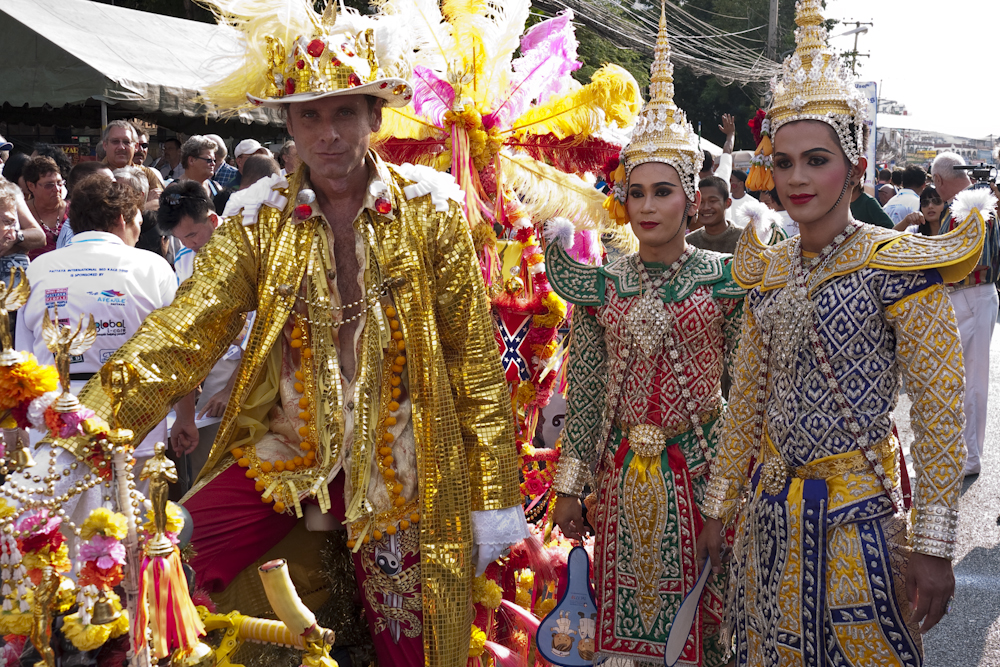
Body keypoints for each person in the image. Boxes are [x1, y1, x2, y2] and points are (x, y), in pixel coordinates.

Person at [62, 7, 527, 667]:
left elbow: (474, 362)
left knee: (416, 649)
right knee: (168, 553)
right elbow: (185, 330)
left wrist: (491, 501)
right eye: (309, 116)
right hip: (290, 454)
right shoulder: (259, 218)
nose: (328, 134)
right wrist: (84, 427)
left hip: (405, 467)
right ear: (288, 124)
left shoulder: (432, 210)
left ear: (375, 116)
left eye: (343, 113)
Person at [699, 3, 975, 664]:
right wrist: (719, 503)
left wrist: (934, 544)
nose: (796, 177)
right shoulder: (768, 269)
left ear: (853, 167)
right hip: (769, 520)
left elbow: (939, 413)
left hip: (859, 525)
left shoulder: (896, 266)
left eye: (816, 160)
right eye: (784, 161)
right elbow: (746, 401)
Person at [551, 10, 742, 666]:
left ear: (692, 197)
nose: (649, 206)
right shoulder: (602, 285)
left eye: (664, 191)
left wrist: (727, 496)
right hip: (621, 477)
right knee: (623, 637)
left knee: (704, 637)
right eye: (637, 193)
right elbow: (587, 393)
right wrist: (571, 482)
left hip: (702, 475)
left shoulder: (726, 280)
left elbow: (746, 393)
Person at [15, 173, 178, 453]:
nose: (138, 234)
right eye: (138, 224)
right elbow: (175, 349)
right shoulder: (153, 266)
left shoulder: (38, 268)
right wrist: (185, 415)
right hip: (134, 417)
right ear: (122, 220)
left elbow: (24, 354)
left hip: (57, 420)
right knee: (133, 484)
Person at [926, 151, 999, 476]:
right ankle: (962, 451)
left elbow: (971, 261)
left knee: (969, 380)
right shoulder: (971, 202)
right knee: (963, 379)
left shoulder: (971, 205)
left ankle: (969, 455)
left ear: (939, 180)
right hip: (971, 296)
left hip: (970, 294)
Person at [55, 162, 116, 250]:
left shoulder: (99, 221)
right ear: (84, 188)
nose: (116, 188)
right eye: (109, 184)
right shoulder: (74, 230)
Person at [688, 176, 742, 254]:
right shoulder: (689, 242)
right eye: (701, 202)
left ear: (727, 203)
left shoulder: (743, 239)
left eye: (712, 201)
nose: (706, 207)